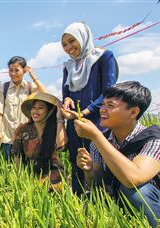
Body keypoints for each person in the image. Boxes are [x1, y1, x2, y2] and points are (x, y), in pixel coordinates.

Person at [74, 81, 160, 228]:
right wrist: (89, 170)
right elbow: (97, 185)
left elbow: (134, 179)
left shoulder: (155, 141)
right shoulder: (100, 142)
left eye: (110, 106)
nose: (102, 110)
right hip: (123, 209)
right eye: (103, 104)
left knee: (137, 192)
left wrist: (96, 136)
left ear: (133, 112)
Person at [60, 21, 118, 196]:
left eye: (72, 41)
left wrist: (85, 112)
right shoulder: (68, 65)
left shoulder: (103, 57)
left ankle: (102, 204)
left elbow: (109, 91)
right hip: (74, 122)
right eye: (64, 44)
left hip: (98, 121)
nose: (69, 47)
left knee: (98, 161)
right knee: (77, 160)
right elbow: (66, 93)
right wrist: (67, 102)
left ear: (83, 38)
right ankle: (78, 203)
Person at [0, 56, 46, 160]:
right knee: (7, 166)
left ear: (24, 70)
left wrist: (32, 75)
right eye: (10, 70)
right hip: (7, 137)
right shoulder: (4, 88)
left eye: (17, 70)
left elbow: (45, 94)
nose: (13, 73)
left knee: (25, 169)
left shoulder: (30, 87)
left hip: (26, 137)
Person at [12, 91, 68, 191]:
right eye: (34, 107)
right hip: (32, 174)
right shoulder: (23, 131)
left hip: (53, 174)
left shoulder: (56, 130)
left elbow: (61, 146)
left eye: (40, 108)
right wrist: (19, 179)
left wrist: (60, 119)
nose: (35, 111)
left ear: (50, 112)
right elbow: (17, 157)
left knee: (53, 187)